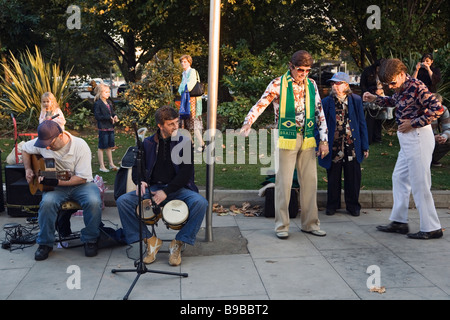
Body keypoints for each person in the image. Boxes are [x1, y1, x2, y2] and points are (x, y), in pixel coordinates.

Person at [240, 50, 329, 239]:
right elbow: (261, 104)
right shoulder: (278, 83)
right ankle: (282, 226)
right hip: (286, 138)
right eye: (300, 70)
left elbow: (319, 112)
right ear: (291, 66)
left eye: (307, 70)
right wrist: (248, 122)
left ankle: (310, 224)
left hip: (308, 138)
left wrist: (324, 140)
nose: (303, 74)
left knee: (310, 183)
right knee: (284, 183)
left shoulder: (311, 84)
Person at [116, 106, 207, 266]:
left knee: (201, 203)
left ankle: (178, 242)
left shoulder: (184, 143)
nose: (176, 127)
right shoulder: (148, 143)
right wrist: (140, 181)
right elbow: (139, 168)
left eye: (176, 122)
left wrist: (166, 192)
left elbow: (185, 174)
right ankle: (150, 240)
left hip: (178, 189)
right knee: (123, 201)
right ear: (160, 125)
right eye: (171, 124)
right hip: (152, 189)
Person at [363, 58, 444, 239]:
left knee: (420, 183)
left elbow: (438, 108)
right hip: (408, 139)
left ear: (401, 74)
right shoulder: (402, 87)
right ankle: (399, 222)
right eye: (387, 83)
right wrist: (376, 98)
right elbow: (394, 101)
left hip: (418, 137)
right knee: (399, 178)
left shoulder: (416, 86)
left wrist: (413, 123)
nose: (391, 86)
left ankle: (432, 228)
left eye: (392, 82)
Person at [21, 120, 103, 260]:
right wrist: (28, 169)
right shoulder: (43, 143)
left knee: (94, 201)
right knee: (47, 203)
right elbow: (25, 149)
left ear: (60, 135)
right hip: (55, 187)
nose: (46, 148)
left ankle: (90, 239)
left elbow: (82, 178)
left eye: (50, 144)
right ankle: (45, 243)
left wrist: (56, 181)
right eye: (44, 145)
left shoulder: (80, 145)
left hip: (81, 184)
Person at [318, 72, 369, 217]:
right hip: (334, 145)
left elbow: (361, 123)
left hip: (352, 145)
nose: (334, 86)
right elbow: (320, 124)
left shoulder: (355, 100)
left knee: (353, 176)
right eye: (333, 83)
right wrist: (321, 144)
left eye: (338, 83)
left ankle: (353, 206)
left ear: (346, 85)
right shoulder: (326, 102)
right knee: (333, 176)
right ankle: (332, 205)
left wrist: (365, 145)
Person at [178, 54, 205, 153]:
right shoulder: (184, 74)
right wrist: (182, 89)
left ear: (189, 62)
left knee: (194, 124)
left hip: (194, 101)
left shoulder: (192, 72)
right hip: (186, 100)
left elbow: (189, 86)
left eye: (185, 62)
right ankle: (191, 144)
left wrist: (183, 89)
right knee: (185, 123)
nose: (183, 63)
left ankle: (202, 145)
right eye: (182, 62)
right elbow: (180, 88)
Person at [94, 83, 119, 172]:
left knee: (109, 146)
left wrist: (115, 116)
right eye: (106, 92)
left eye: (108, 92)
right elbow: (97, 116)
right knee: (101, 147)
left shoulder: (109, 102)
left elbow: (112, 112)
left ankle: (111, 164)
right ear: (100, 93)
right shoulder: (98, 104)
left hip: (110, 127)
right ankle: (102, 166)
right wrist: (108, 117)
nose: (108, 94)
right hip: (103, 128)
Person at [360, 59, 385, 144]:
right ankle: (369, 138)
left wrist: (381, 91)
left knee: (379, 118)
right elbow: (363, 85)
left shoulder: (384, 73)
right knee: (370, 118)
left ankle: (377, 137)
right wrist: (370, 93)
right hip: (369, 96)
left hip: (381, 96)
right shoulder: (368, 71)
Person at [431, 94, 450, 166]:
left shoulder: (443, 110)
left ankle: (433, 159)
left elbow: (448, 128)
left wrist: (444, 137)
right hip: (420, 138)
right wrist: (431, 138)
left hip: (433, 135)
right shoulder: (419, 111)